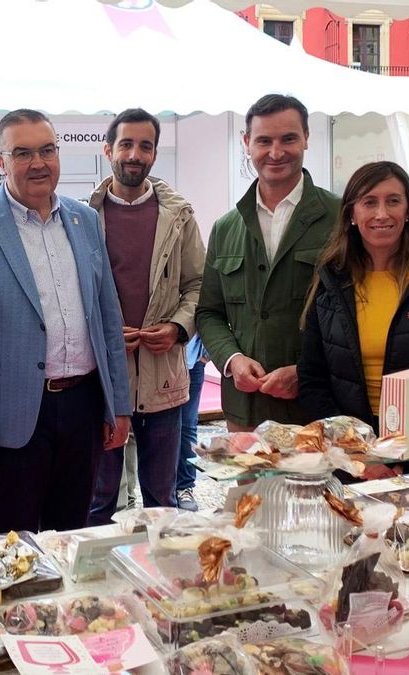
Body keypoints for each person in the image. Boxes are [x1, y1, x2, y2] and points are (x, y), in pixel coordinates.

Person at [0, 109, 131, 534]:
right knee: (15, 543)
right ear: (1, 162)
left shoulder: (85, 220)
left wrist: (119, 405)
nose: (38, 163)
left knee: (73, 535)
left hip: (83, 407)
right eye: (22, 153)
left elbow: (107, 320)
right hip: (13, 417)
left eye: (47, 150)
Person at [296, 161, 409, 475]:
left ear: (408, 211)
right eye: (369, 202)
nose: (382, 213)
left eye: (393, 201)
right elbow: (313, 379)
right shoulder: (330, 280)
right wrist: (359, 455)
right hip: (346, 457)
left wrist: (403, 458)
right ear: (351, 214)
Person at [85, 108, 205, 525]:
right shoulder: (83, 218)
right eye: (126, 144)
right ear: (108, 150)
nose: (135, 154)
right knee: (99, 498)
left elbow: (199, 284)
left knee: (162, 498)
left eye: (145, 146)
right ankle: (98, 568)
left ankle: (159, 567)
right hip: (103, 380)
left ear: (155, 152)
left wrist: (177, 327)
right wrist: (102, 334)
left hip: (163, 376)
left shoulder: (179, 216)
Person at [196, 94, 340, 431]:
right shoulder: (226, 227)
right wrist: (232, 360)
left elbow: (356, 315)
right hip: (245, 412)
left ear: (306, 138)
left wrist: (306, 371)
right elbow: (208, 313)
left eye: (288, 139)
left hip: (317, 412)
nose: (276, 152)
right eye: (264, 141)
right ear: (247, 143)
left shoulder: (339, 218)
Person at [176, 335, 209, 511]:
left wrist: (205, 355)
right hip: (159, 359)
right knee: (157, 426)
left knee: (188, 425)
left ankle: (185, 486)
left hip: (193, 361)